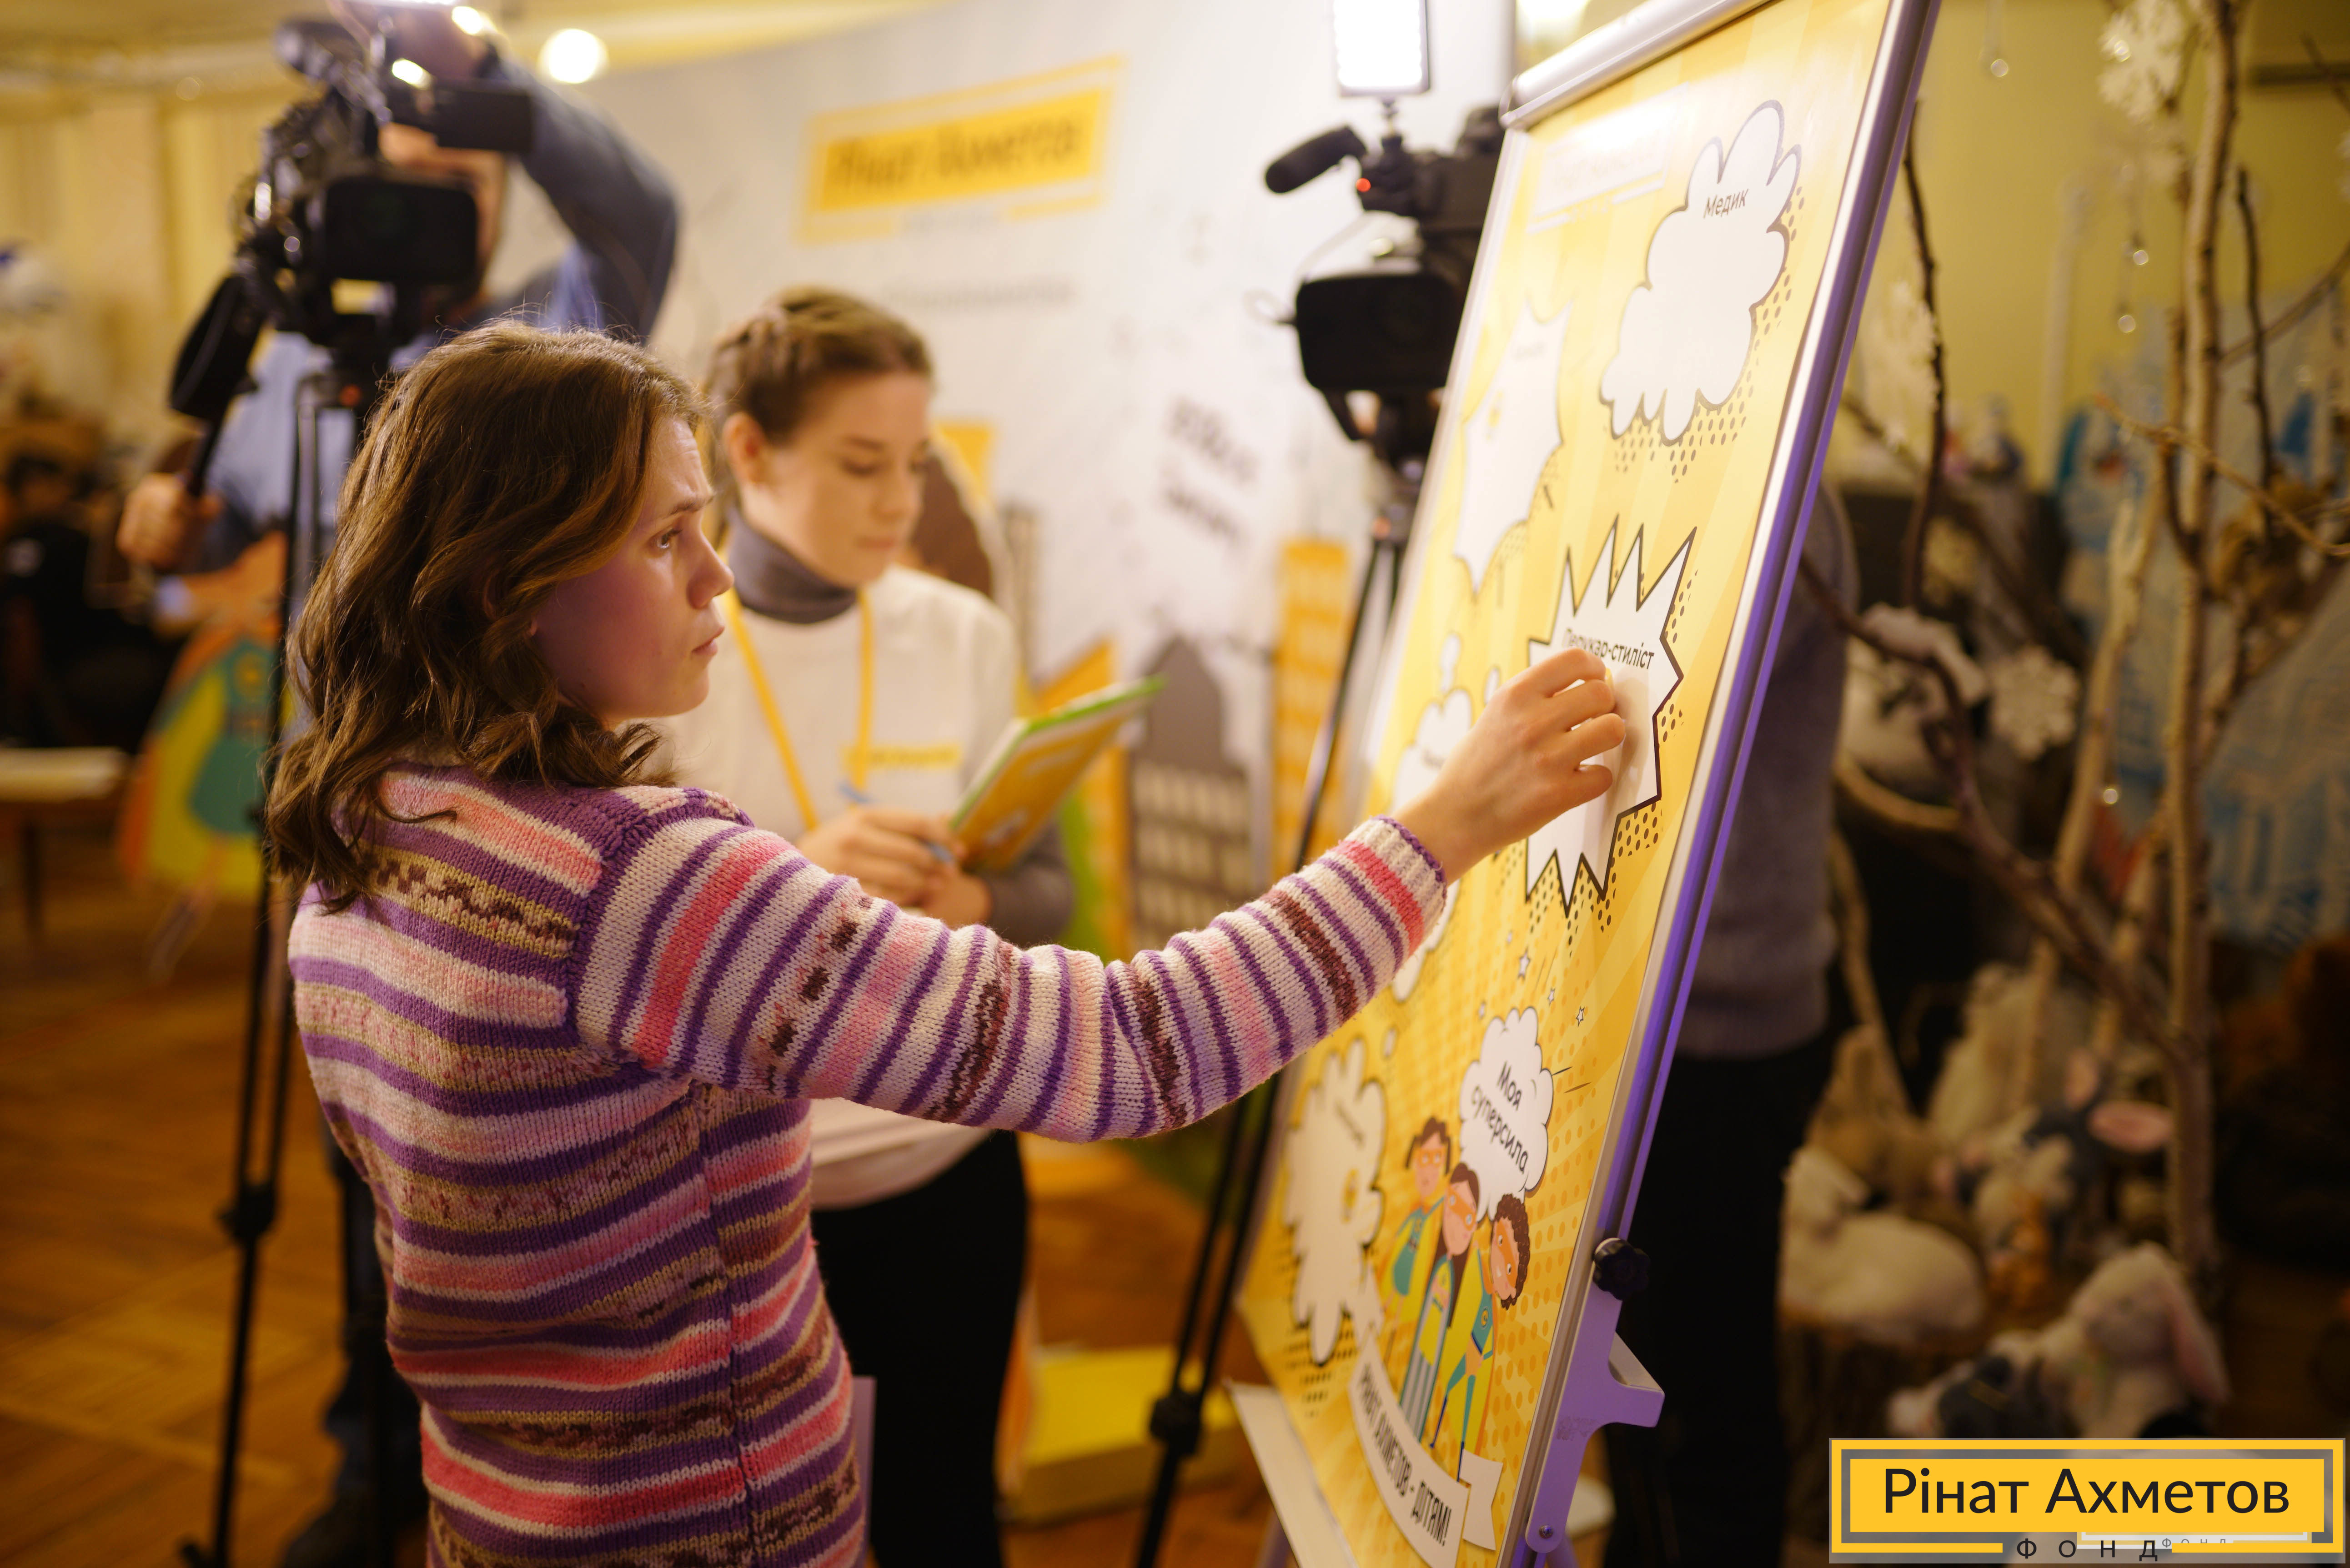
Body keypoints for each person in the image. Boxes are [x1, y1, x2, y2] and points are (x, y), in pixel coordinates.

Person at [263, 322, 1627, 1566]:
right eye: (665, 537)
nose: (714, 574)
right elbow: (1134, 1049)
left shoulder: (367, 831)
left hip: (503, 1516)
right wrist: (1441, 826)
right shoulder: (637, 881)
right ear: (508, 580)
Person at [112, 8, 678, 1562]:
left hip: (526, 834)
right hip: (344, 845)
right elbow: (205, 543)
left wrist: (495, 98)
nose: (446, 209)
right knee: (370, 1170)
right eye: (414, 179)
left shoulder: (549, 351)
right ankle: (377, 1468)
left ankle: (518, 1474)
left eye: (468, 183)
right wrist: (165, 539)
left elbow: (641, 216)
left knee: (517, 1181)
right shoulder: (294, 371)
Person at [660, 287, 1069, 1565]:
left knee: (942, 1516)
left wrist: (972, 900)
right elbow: (612, 955)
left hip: (946, 1168)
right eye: (859, 464)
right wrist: (793, 876)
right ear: (749, 451)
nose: (901, 502)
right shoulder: (663, 654)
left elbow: (1049, 892)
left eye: (915, 461)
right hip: (735, 1196)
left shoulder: (961, 632)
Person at [1601, 493, 1856, 1568]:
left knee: (1697, 1399)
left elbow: (1670, 703)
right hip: (1647, 1013)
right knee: (1625, 1381)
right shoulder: (1668, 469)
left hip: (1722, 1025)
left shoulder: (1780, 493)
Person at [0, 449, 175, 749]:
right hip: (85, 659)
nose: (63, 492)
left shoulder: (47, 537)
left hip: (86, 657)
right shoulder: (44, 539)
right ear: (31, 486)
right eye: (52, 484)